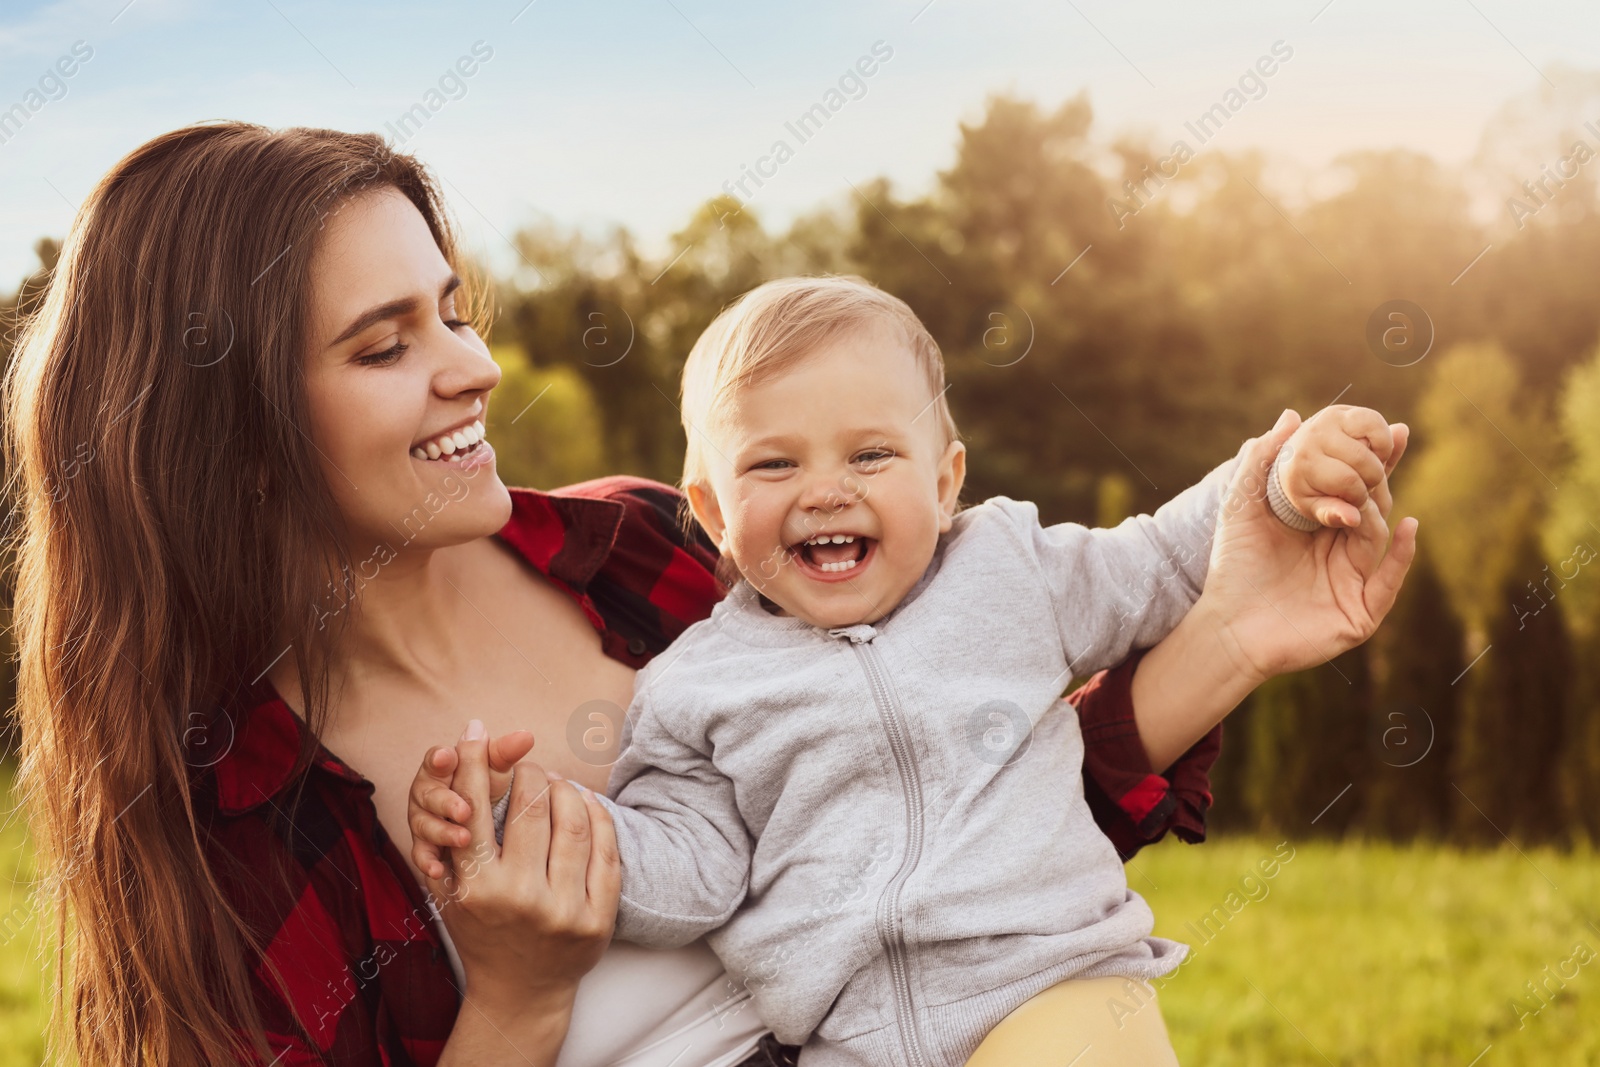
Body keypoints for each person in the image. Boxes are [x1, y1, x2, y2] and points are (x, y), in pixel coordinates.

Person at [3, 122, 1412, 1067]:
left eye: (454, 310)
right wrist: (516, 990)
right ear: (232, 433)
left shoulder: (652, 558)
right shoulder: (238, 836)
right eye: (385, 343)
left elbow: (954, 828)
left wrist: (1226, 634)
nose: (475, 368)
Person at [411, 277, 1411, 1065]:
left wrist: (1273, 483)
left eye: (871, 454)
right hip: (847, 1043)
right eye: (773, 465)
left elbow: (1160, 554)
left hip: (1052, 987)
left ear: (944, 481)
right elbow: (694, 867)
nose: (825, 490)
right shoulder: (696, 686)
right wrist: (525, 826)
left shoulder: (1011, 571)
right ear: (712, 512)